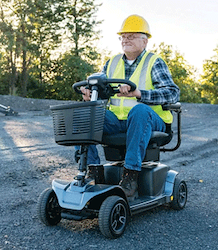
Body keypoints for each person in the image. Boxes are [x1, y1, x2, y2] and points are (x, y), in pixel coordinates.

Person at [77, 14, 180, 199]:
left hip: (151, 121)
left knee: (139, 109)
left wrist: (140, 94)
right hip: (118, 121)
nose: (126, 39)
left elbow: (172, 93)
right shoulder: (112, 62)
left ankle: (130, 176)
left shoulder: (154, 62)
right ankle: (93, 171)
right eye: (123, 36)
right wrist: (90, 94)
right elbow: (102, 91)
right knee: (86, 113)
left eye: (131, 36)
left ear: (145, 40)